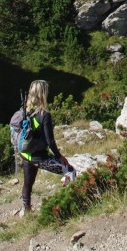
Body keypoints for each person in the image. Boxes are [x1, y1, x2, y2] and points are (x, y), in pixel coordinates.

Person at [17, 79, 77, 216]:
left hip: (26, 154)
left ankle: (27, 212)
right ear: (43, 93)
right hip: (40, 157)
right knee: (70, 171)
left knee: (28, 184)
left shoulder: (25, 110)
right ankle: (72, 203)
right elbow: (50, 141)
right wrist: (60, 157)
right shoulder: (45, 115)